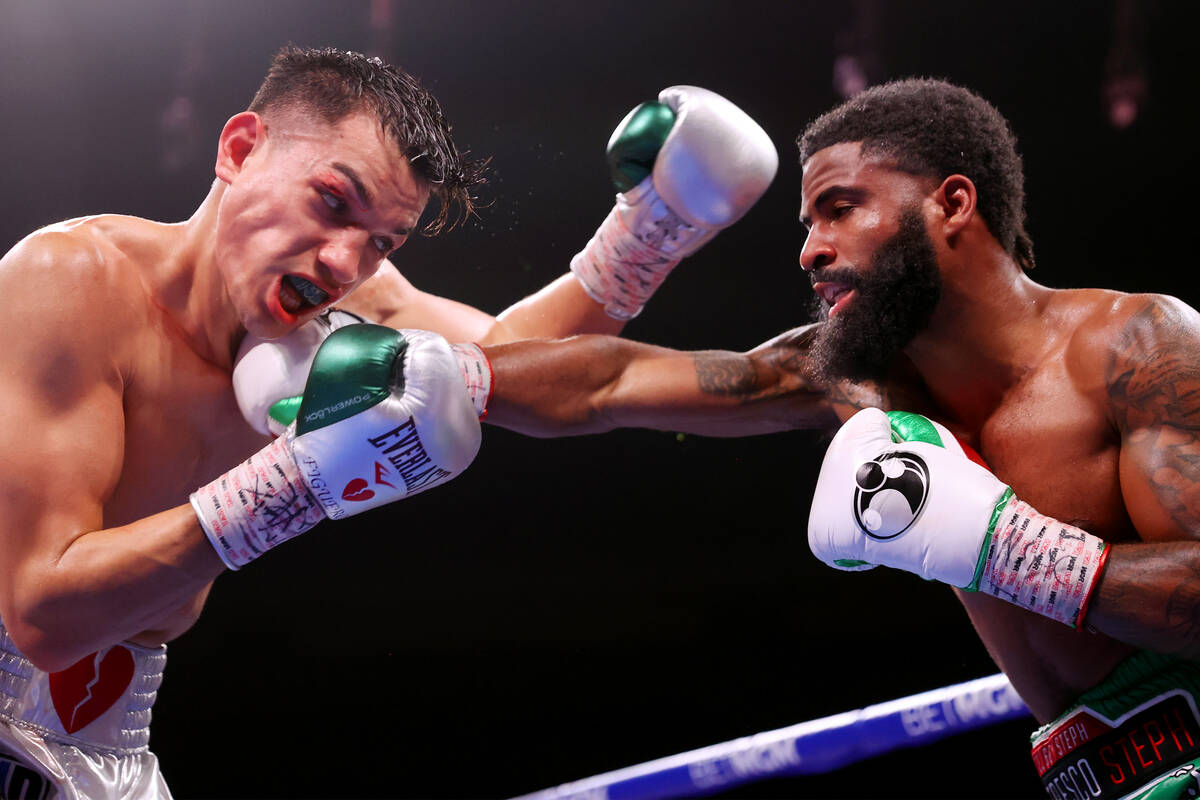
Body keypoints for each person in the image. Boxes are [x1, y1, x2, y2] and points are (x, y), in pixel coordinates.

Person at [354, 77, 1196, 799]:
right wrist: (449, 378)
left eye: (840, 210)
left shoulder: (1133, 344)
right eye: (806, 223)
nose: (809, 251)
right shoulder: (856, 376)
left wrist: (1003, 549)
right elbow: (612, 380)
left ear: (952, 203)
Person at [0, 43, 776, 799]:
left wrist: (645, 235)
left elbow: (514, 365)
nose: (344, 263)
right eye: (331, 202)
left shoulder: (339, 302)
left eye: (381, 243)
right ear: (240, 148)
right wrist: (294, 486)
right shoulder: (74, 282)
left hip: (113, 756)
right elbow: (45, 618)